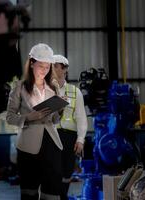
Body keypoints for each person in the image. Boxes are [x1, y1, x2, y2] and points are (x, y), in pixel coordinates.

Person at [6, 43, 63, 200]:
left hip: (52, 143)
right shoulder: (19, 87)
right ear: (31, 63)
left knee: (52, 192)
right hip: (28, 147)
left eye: (47, 67)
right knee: (29, 193)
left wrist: (59, 110)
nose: (44, 70)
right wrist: (29, 117)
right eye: (41, 66)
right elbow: (9, 117)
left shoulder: (53, 87)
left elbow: (55, 120)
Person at [52, 55, 88, 200]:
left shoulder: (75, 92)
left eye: (55, 66)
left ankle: (63, 195)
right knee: (53, 170)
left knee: (67, 171)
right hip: (51, 135)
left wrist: (80, 140)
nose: (52, 69)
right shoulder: (44, 90)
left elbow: (81, 117)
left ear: (64, 69)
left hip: (69, 137)